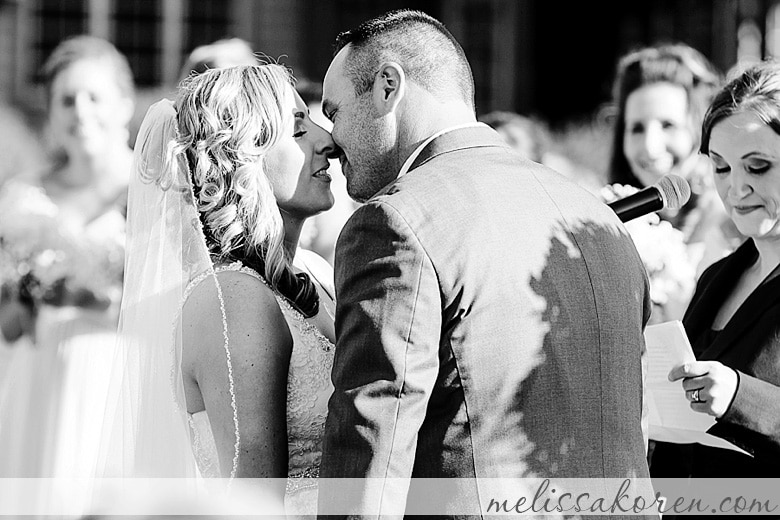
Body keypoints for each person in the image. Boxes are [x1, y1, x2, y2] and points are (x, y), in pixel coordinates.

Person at [318, 10, 653, 518]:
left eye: (334, 110)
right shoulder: (597, 219)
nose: (330, 139)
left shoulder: (394, 222)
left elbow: (373, 440)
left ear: (388, 86)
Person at [98, 64, 337, 517]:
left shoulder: (314, 269)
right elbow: (252, 499)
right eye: (298, 129)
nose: (328, 142)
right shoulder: (232, 299)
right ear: (242, 154)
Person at [0, 35, 134, 486]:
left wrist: (85, 295)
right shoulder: (22, 199)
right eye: (66, 100)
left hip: (117, 379)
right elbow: (7, 318)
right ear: (52, 113)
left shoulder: (153, 190)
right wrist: (16, 297)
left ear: (124, 104)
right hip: (35, 376)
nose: (80, 111)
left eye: (93, 97)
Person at [650, 61, 780, 479]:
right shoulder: (717, 277)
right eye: (721, 167)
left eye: (758, 166)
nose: (736, 188)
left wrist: (741, 396)